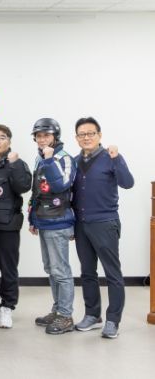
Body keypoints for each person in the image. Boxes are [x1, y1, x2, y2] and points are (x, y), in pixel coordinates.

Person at [72, 117, 134, 339]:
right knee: (87, 272)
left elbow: (128, 183)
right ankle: (92, 315)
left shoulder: (110, 157)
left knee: (112, 273)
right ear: (76, 138)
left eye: (91, 133)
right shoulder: (74, 161)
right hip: (81, 225)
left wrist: (117, 159)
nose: (86, 137)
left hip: (105, 223)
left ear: (99, 135)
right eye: (82, 134)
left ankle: (113, 320)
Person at [29, 118, 77, 335]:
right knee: (50, 268)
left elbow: (60, 185)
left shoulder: (64, 158)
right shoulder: (40, 158)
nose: (42, 139)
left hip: (59, 221)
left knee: (61, 270)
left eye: (46, 135)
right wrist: (32, 218)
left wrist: (49, 161)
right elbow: (37, 191)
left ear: (55, 136)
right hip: (43, 220)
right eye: (38, 136)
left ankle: (66, 316)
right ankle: (57, 310)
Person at [0, 124, 32, 329]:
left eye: (2, 137)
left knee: (8, 268)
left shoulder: (15, 163)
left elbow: (23, 186)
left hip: (7, 225)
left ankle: (7, 306)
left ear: (9, 142)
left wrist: (14, 164)